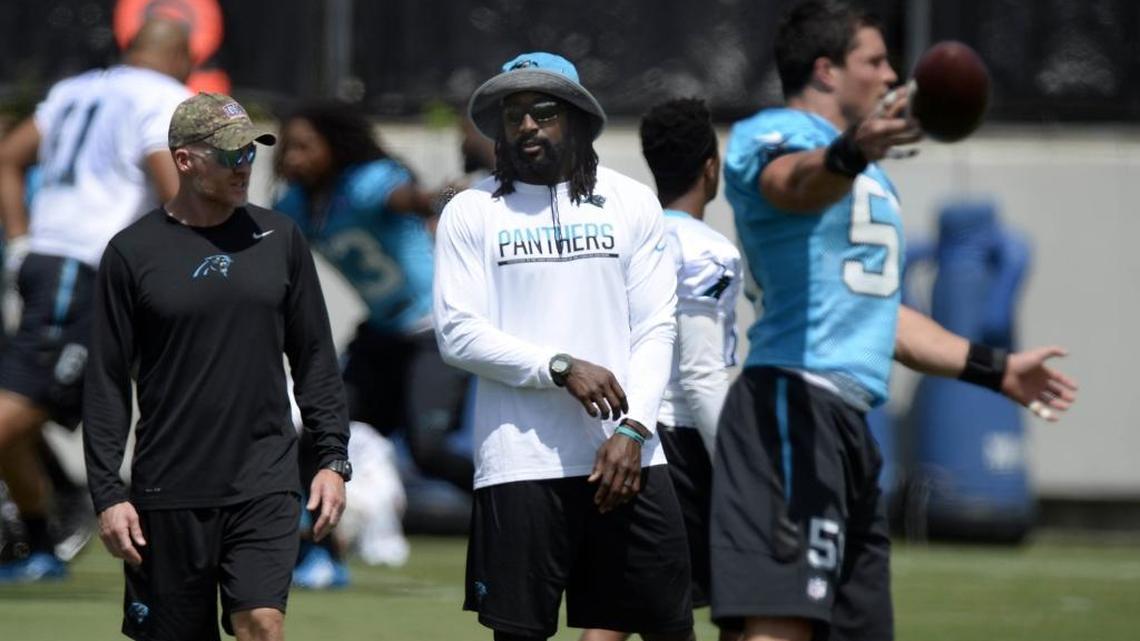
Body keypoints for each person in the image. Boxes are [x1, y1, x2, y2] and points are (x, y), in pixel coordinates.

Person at [711, 2, 1080, 641]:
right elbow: (791, 184)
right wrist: (850, 152)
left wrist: (995, 369)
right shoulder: (773, 134)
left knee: (859, 629)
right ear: (826, 71)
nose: (892, 77)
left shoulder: (873, 174)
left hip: (848, 423)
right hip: (792, 403)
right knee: (780, 625)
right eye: (875, 61)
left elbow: (884, 316)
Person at [433, 52, 694, 641]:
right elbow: (457, 334)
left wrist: (634, 430)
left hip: (629, 460)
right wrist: (559, 366)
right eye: (512, 114)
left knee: (668, 629)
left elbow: (656, 326)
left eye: (543, 111)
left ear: (575, 119)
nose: (526, 126)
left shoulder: (632, 202)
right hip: (518, 465)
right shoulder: (471, 212)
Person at [82, 92, 351, 641]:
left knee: (262, 623)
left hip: (265, 481)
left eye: (251, 153)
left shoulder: (280, 238)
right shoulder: (131, 253)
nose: (244, 166)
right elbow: (106, 382)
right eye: (230, 155)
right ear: (185, 160)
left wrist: (332, 457)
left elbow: (315, 357)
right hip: (169, 488)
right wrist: (108, 494)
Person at [0, 19, 193, 582]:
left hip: (42, 264)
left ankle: (41, 539)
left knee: (29, 411)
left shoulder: (74, 89)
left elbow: (8, 157)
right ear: (181, 55)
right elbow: (175, 191)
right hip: (88, 269)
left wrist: (19, 240)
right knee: (18, 412)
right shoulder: (163, 97)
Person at [274, 102, 470, 585]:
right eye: (288, 147)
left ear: (333, 148)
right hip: (382, 335)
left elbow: (417, 197)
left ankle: (525, 505)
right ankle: (318, 553)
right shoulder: (295, 204)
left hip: (432, 330)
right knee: (318, 436)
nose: (292, 158)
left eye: (305, 146)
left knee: (428, 451)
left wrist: (454, 196)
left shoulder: (367, 182)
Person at [583, 98, 743, 641]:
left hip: (625, 432)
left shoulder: (628, 233)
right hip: (682, 441)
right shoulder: (707, 251)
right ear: (710, 167)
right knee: (740, 607)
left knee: (621, 610)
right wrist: (741, 466)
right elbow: (700, 375)